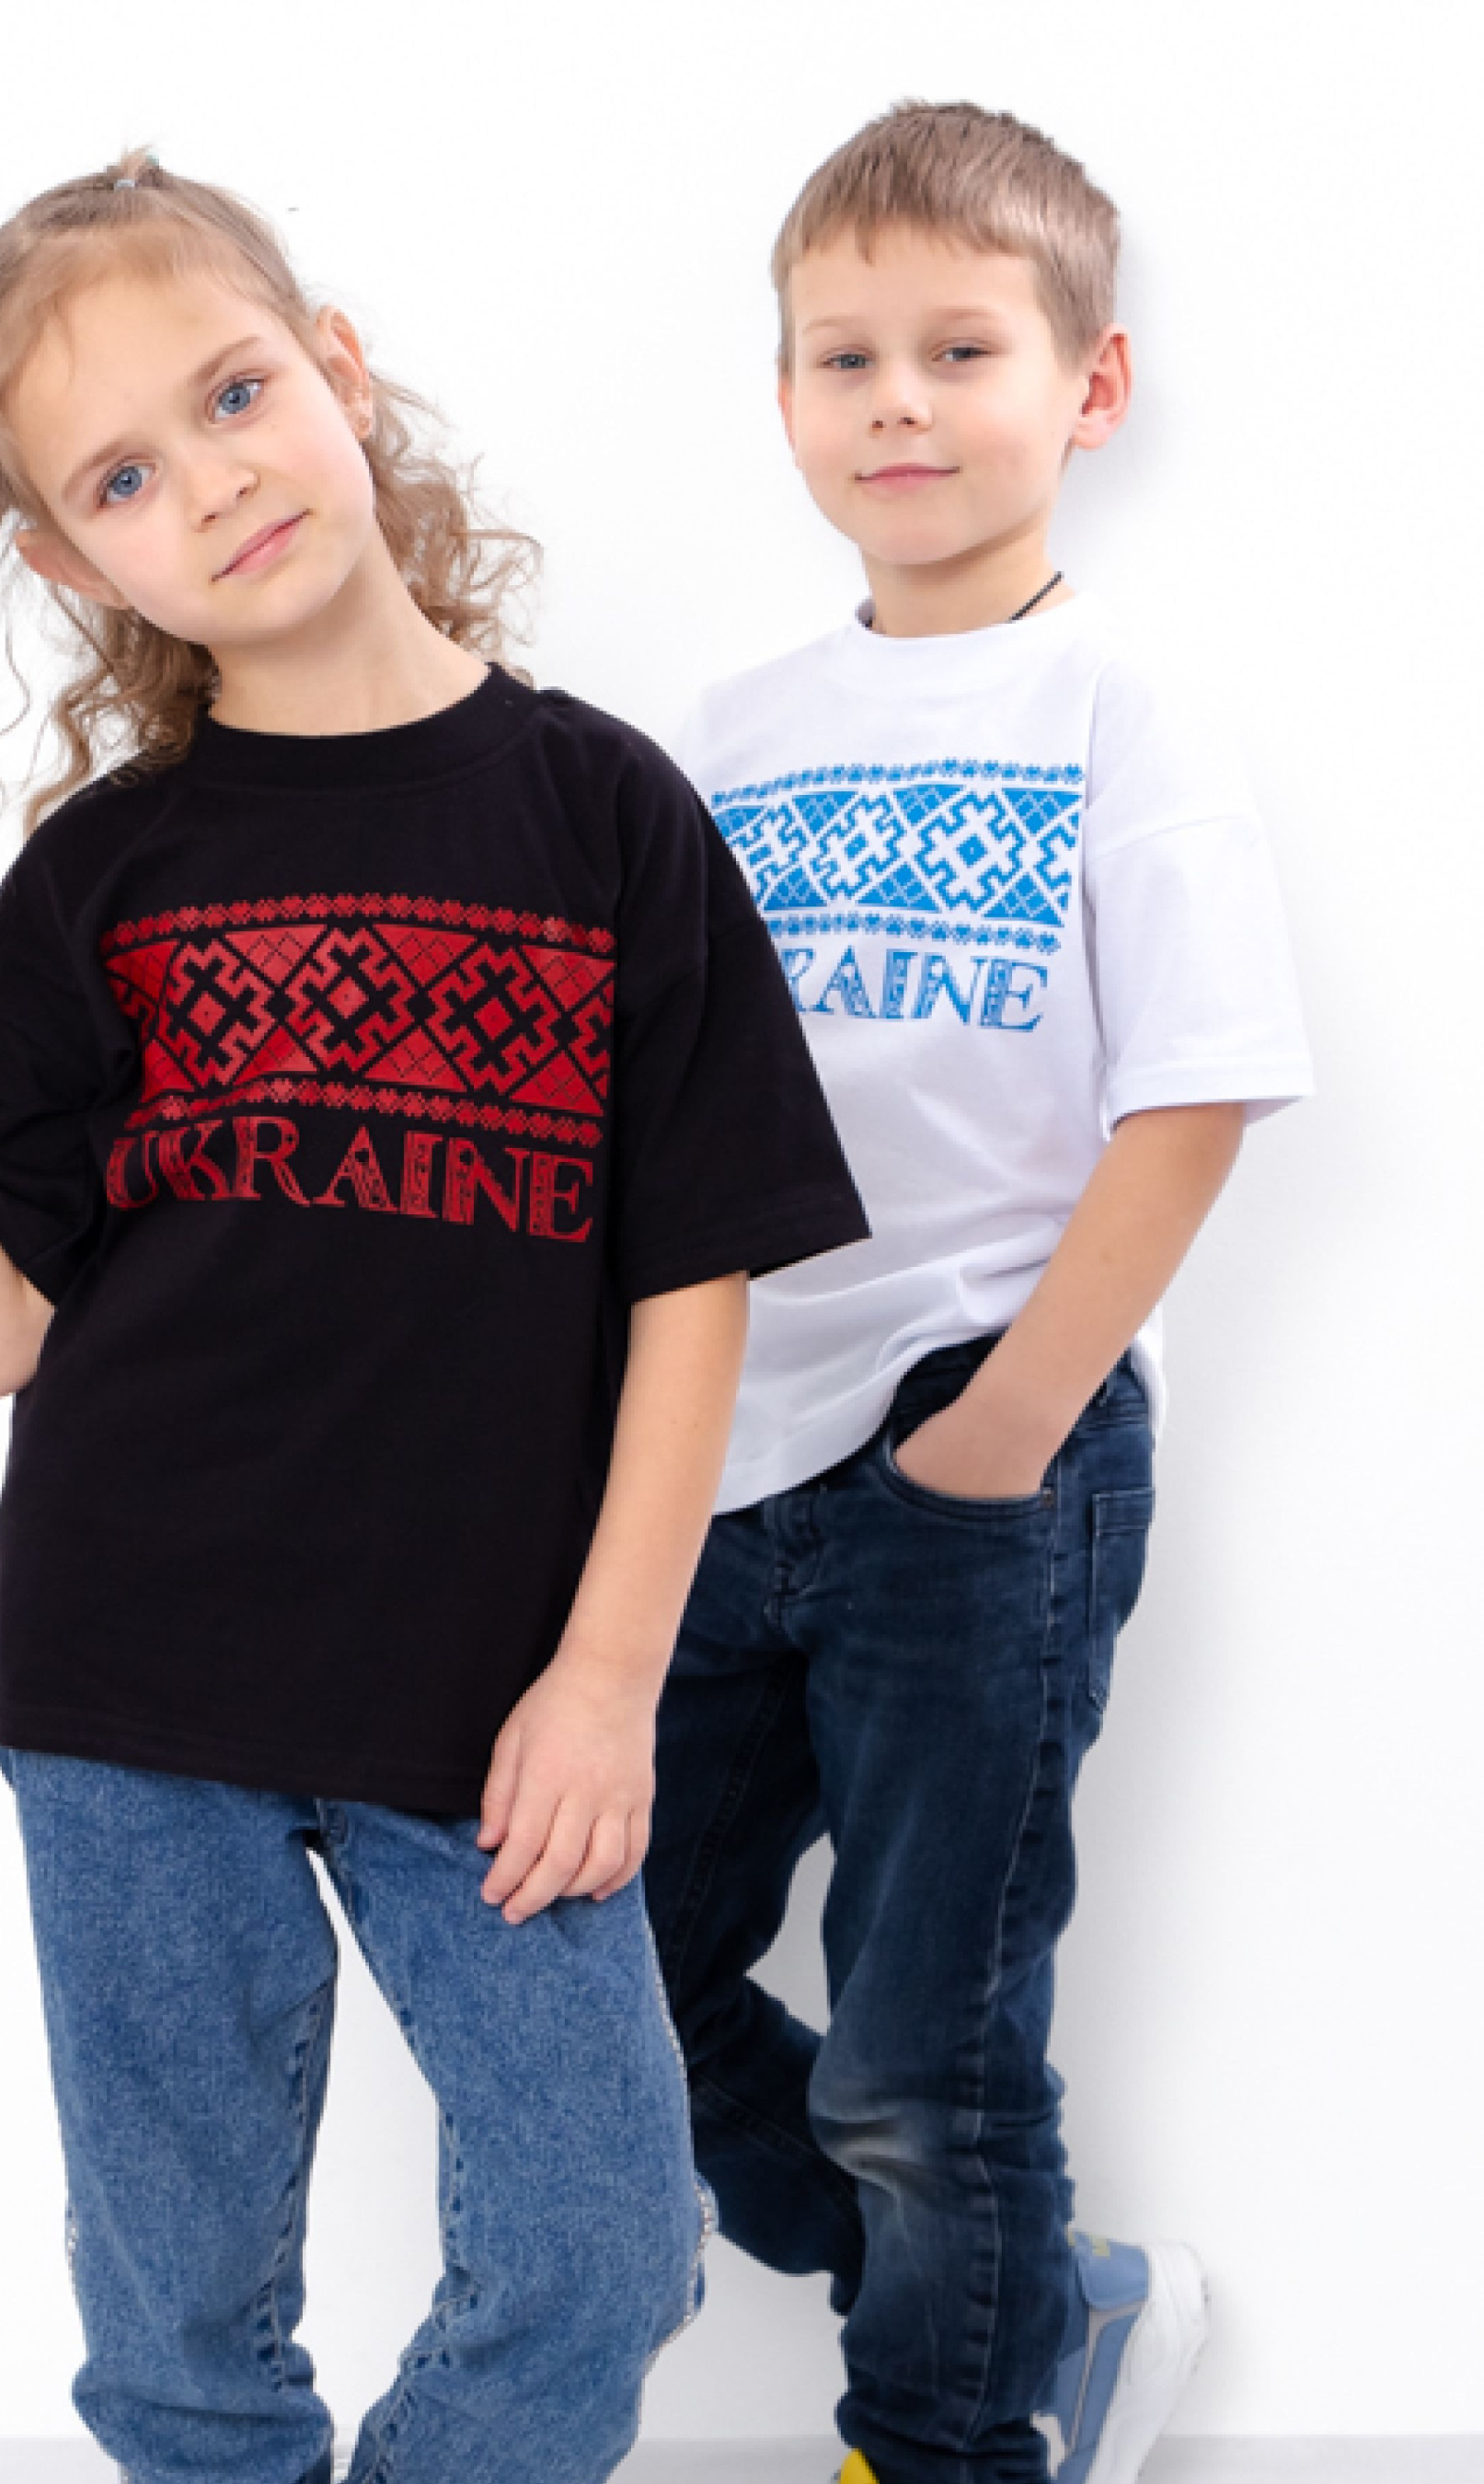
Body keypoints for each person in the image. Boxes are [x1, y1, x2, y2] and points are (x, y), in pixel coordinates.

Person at [0, 149, 868, 2484]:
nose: (211, 478)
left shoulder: (608, 822)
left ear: (338, 371)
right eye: (120, 478)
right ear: (78, 567)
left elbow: (693, 1290)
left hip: (491, 1709)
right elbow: (1, 1333)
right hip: (128, 1691)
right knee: (183, 2331)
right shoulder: (100, 879)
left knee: (601, 2249)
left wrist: (606, 1679)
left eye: (234, 392)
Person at [640, 100, 1314, 2484]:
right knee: (601, 1956)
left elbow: (1194, 1091)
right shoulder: (724, 738)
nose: (898, 402)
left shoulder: (1114, 709)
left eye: (959, 349)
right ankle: (1041, 2308)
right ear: (784, 398)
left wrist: (1007, 1421)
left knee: (923, 2050)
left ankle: (946, 2437)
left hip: (983, 1441)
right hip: (724, 1449)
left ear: (1086, 387)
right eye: (844, 357)